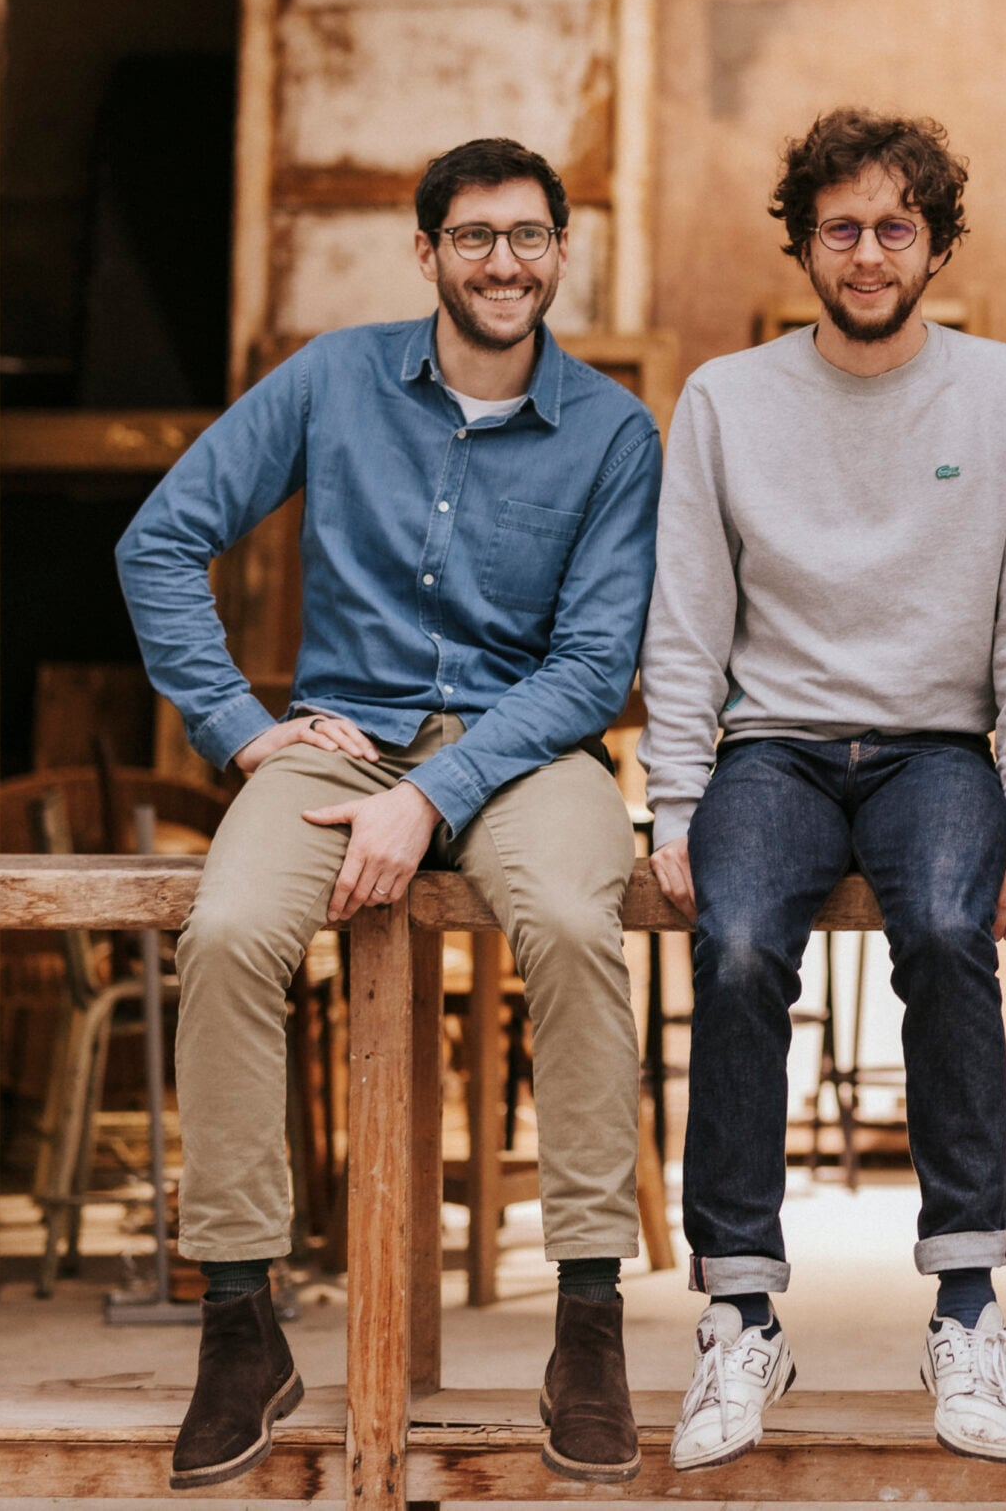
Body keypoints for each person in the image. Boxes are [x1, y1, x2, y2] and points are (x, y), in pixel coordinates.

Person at [117, 137, 659, 1487]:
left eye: (528, 237)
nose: (503, 263)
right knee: (232, 930)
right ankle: (240, 1312)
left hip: (527, 750)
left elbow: (594, 668)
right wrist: (243, 735)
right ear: (426, 255)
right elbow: (160, 541)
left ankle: (587, 1317)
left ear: (561, 252)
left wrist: (435, 792)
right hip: (337, 738)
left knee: (580, 935)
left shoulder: (612, 431)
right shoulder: (334, 379)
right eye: (473, 238)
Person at [638, 108, 1006, 1468]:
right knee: (740, 942)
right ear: (805, 245)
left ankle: (965, 1305)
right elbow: (688, 615)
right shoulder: (725, 397)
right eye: (843, 229)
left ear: (936, 244)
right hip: (772, 745)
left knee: (949, 936)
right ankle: (742, 1313)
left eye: (896, 227)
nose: (870, 253)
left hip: (939, 749)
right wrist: (667, 799)